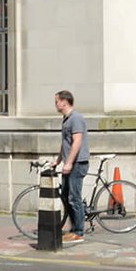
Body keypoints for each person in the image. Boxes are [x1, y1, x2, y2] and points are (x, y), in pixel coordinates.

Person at [53, 90, 90, 244]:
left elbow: (77, 141)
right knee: (66, 197)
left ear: (64, 102)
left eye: (56, 101)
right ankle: (73, 228)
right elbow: (65, 143)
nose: (55, 104)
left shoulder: (76, 118)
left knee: (74, 198)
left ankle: (78, 232)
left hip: (77, 163)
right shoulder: (66, 119)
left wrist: (68, 163)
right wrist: (58, 160)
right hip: (70, 163)